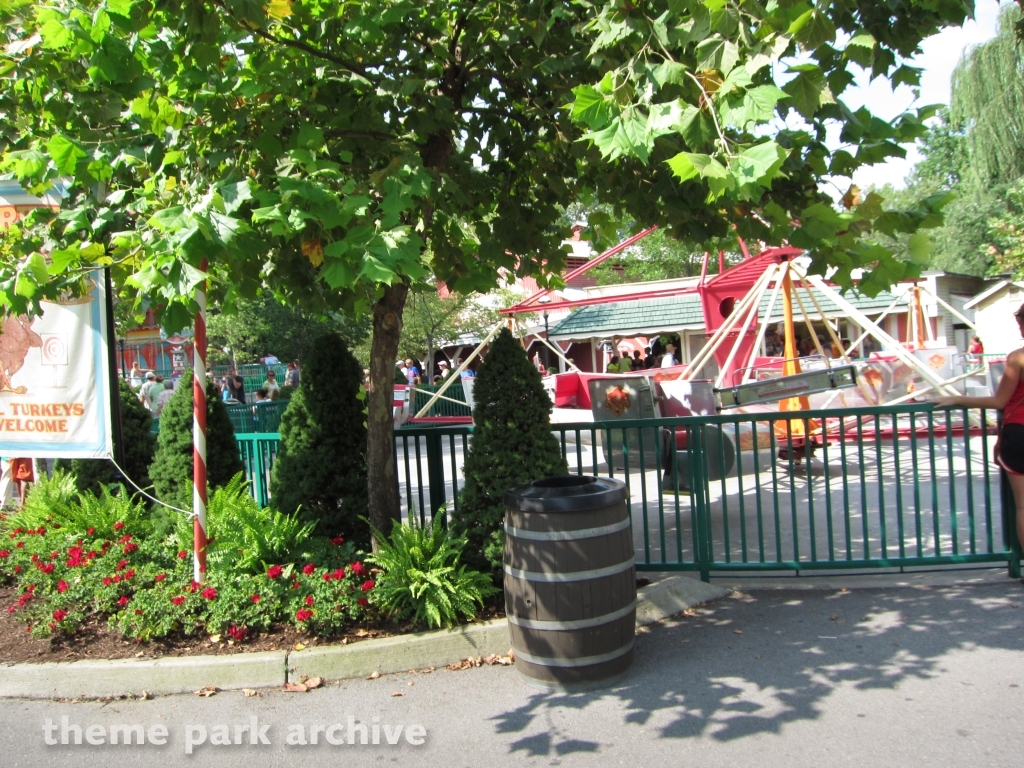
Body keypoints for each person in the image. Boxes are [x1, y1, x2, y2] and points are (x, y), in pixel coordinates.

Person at [936, 302, 1024, 579]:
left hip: (1018, 432)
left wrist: (958, 398)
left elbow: (1000, 401)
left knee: (1023, 506)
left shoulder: (1018, 358)